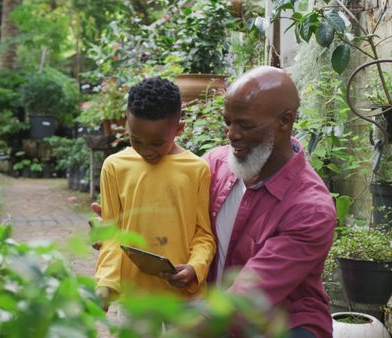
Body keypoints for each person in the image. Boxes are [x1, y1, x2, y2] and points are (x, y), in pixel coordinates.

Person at [202, 66, 336, 338]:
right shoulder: (214, 165)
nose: (232, 134)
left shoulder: (310, 209)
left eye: (246, 125)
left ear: (285, 121)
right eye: (228, 122)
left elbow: (248, 298)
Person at [94, 77, 216, 310]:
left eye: (157, 143)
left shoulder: (197, 170)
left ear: (178, 129)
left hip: (184, 298)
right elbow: (111, 233)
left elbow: (203, 234)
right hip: (135, 297)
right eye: (136, 140)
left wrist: (194, 267)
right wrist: (106, 283)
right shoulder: (114, 166)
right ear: (127, 125)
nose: (146, 151)